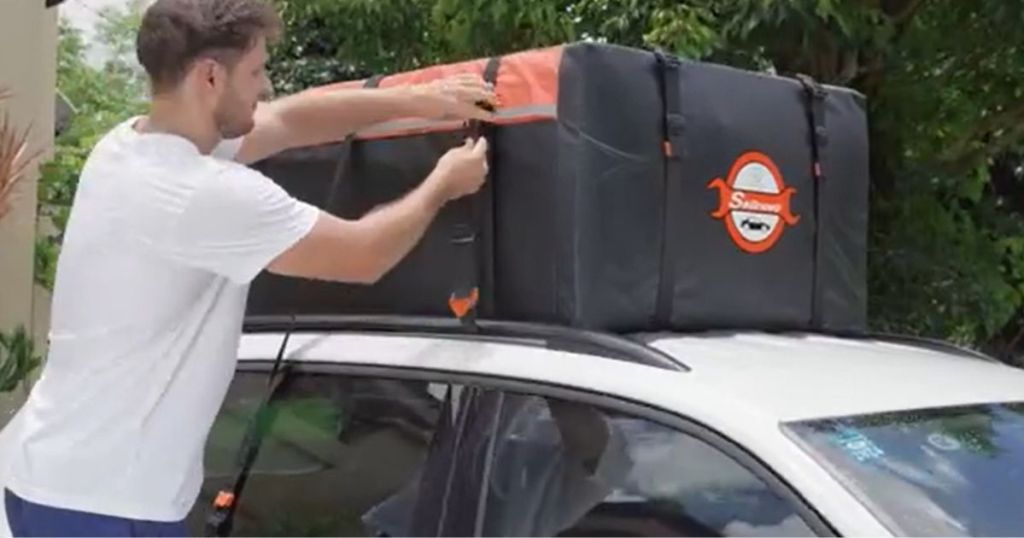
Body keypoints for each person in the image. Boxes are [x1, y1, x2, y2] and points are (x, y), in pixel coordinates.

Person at [1, 0, 496, 535]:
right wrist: (444, 184)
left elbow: (287, 121)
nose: (266, 88)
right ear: (210, 77)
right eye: (257, 71)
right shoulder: (198, 194)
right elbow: (362, 255)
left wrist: (419, 101)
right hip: (104, 508)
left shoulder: (126, 148)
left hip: (41, 476)